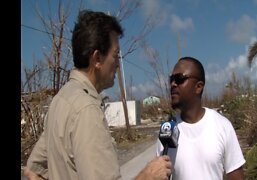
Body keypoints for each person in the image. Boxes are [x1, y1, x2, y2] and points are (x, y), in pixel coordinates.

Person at [23, 10, 172, 180]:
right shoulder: (87, 110)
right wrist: (147, 176)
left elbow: (32, 171)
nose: (117, 64)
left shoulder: (61, 99)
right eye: (115, 55)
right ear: (97, 58)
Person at [156, 56, 245, 180]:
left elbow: (236, 176)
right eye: (171, 79)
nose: (173, 84)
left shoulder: (222, 126)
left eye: (179, 79)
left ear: (198, 87)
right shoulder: (167, 132)